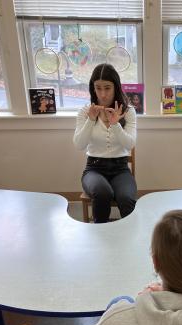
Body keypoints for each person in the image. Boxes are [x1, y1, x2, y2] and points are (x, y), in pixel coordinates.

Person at [73, 63, 137, 223]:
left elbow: (130, 145)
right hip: (94, 169)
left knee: (126, 198)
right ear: (92, 88)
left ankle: (130, 238)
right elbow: (79, 145)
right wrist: (91, 119)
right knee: (103, 193)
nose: (102, 94)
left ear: (116, 87)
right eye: (98, 88)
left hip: (120, 169)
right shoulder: (85, 112)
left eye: (107, 88)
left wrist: (115, 124)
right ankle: (100, 237)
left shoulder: (128, 111)